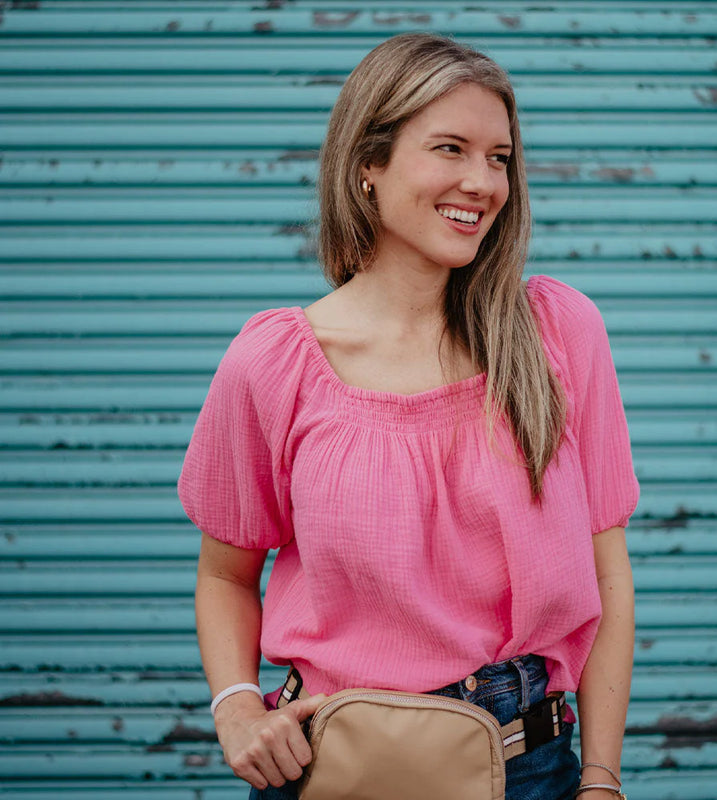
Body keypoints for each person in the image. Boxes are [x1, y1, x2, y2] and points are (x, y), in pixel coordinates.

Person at [178, 32, 639, 800]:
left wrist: (600, 779)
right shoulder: (275, 361)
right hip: (333, 766)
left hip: (534, 767)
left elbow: (608, 574)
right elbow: (225, 572)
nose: (482, 182)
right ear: (369, 164)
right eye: (451, 148)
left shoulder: (559, 332)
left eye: (499, 157)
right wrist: (233, 709)